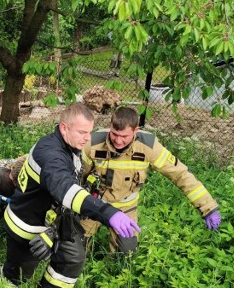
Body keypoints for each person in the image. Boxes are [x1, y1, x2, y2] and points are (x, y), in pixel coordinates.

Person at [1, 103, 140, 288]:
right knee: (19, 269)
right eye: (82, 132)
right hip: (27, 224)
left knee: (73, 256)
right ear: (64, 128)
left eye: (90, 132)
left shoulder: (70, 147)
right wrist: (108, 213)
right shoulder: (51, 154)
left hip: (55, 221)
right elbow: (66, 190)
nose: (87, 138)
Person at [81, 106, 221, 253]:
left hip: (125, 207)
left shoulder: (148, 146)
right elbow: (76, 175)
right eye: (115, 134)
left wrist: (208, 208)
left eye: (124, 136)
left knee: (125, 252)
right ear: (110, 126)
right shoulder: (93, 143)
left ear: (135, 131)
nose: (118, 141)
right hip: (95, 203)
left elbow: (180, 174)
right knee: (72, 247)